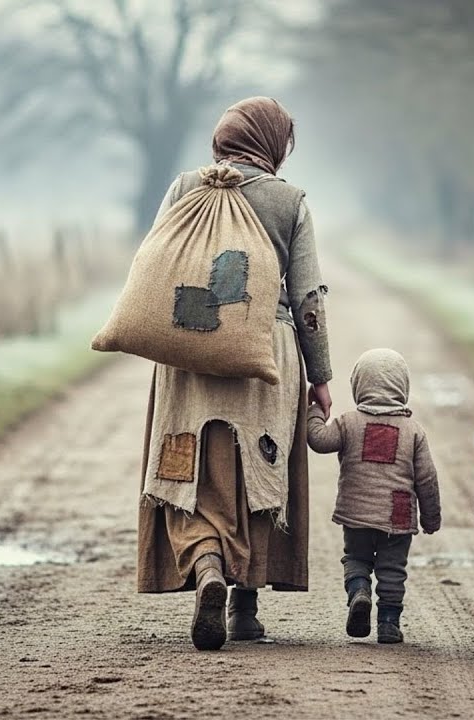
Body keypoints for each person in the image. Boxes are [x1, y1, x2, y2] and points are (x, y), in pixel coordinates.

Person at [135, 97, 334, 651]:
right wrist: (319, 373)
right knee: (259, 473)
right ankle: (245, 609)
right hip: (262, 353)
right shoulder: (288, 201)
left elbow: (154, 263)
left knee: (187, 465)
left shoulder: (183, 188)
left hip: (188, 347)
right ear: (272, 143)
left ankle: (206, 571)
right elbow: (309, 299)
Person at [307, 348, 441, 644]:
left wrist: (315, 411)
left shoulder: (348, 423)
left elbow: (318, 439)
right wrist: (431, 518)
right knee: (393, 570)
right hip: (398, 516)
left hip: (356, 513)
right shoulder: (413, 431)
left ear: (358, 385)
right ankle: (389, 624)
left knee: (356, 558)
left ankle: (359, 592)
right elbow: (427, 479)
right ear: (402, 387)